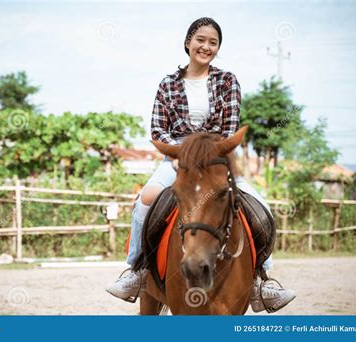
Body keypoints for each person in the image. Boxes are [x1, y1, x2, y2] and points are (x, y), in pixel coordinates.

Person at [106, 17, 296, 313]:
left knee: (261, 205)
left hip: (216, 159)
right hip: (177, 158)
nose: (206, 46)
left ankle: (262, 279)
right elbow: (158, 131)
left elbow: (230, 128)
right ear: (188, 43)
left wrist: (205, 151)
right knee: (146, 199)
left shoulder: (228, 81)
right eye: (201, 40)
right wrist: (185, 152)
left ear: (218, 48)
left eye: (213, 42)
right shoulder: (168, 84)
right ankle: (137, 270)